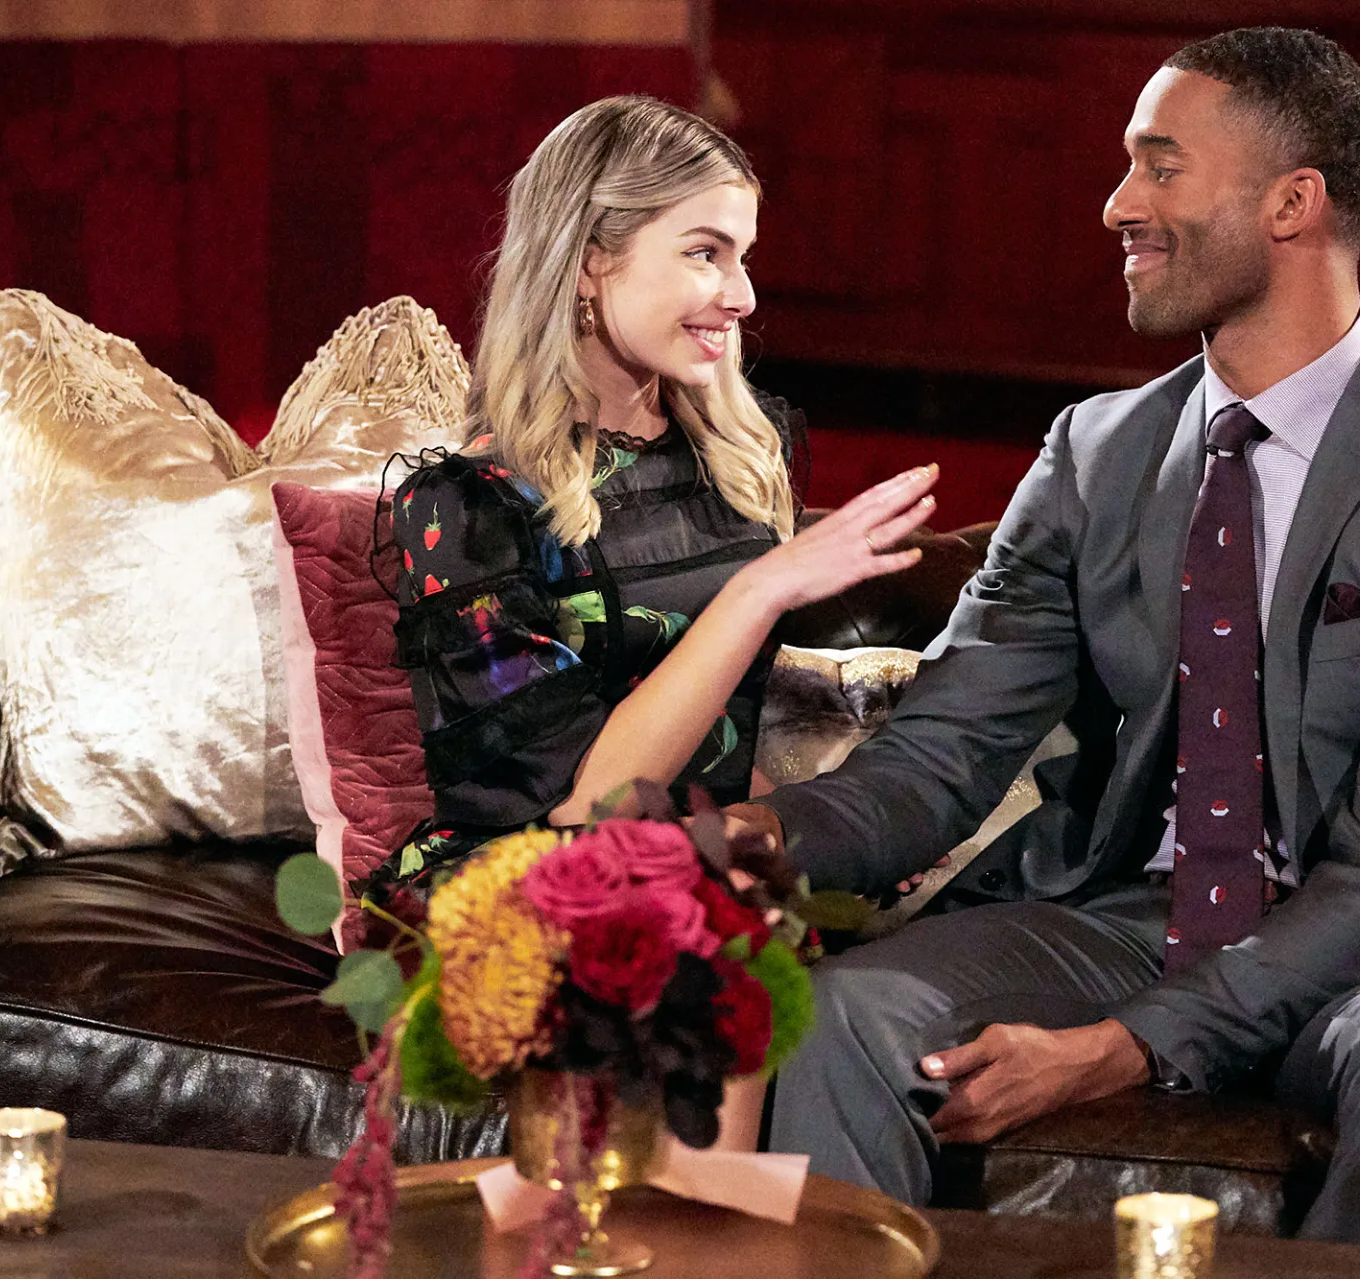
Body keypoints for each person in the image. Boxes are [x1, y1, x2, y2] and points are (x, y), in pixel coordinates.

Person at [729, 27, 1360, 1259]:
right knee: (845, 1015)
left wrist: (1128, 1047)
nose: (1116, 205)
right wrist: (753, 837)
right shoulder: (1093, 453)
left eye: (1159, 167)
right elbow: (941, 753)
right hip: (1133, 915)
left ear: (1291, 204)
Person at [366, 96, 938, 1141]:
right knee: (713, 935)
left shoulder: (748, 455)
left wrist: (817, 829)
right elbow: (587, 806)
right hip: (525, 876)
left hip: (701, 854)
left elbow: (735, 735)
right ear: (591, 258)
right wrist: (761, 589)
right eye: (704, 253)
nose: (741, 295)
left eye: (744, 257)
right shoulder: (467, 508)